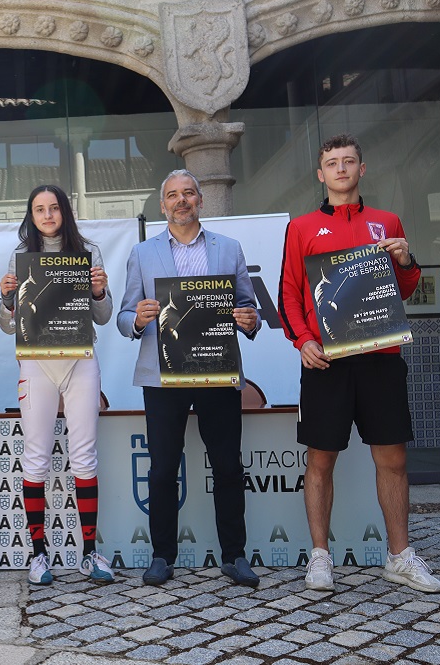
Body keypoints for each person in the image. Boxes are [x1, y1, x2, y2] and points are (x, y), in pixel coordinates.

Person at [278, 133, 440, 594]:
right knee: (320, 460)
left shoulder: (387, 221)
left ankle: (400, 556)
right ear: (321, 173)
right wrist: (303, 341)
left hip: (381, 359)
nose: (341, 169)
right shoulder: (303, 228)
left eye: (349, 161)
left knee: (393, 458)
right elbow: (289, 293)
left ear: (362, 169)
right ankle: (320, 557)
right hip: (327, 363)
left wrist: (407, 261)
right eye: (332, 163)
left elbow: (404, 290)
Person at [117, 169, 261, 588]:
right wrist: (137, 319)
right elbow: (125, 316)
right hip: (163, 377)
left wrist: (248, 320)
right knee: (162, 469)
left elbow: (248, 309)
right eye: (172, 196)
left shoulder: (228, 249)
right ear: (162, 206)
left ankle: (234, 556)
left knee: (228, 467)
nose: (181, 201)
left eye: (188, 194)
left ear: (200, 200)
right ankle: (162, 556)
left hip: (217, 371)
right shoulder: (142, 253)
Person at [0, 186, 114, 585]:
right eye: (39, 209)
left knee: (84, 456)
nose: (47, 215)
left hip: (80, 360)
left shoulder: (89, 252)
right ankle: (39, 554)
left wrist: (98, 290)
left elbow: (103, 315)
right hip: (36, 362)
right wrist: (7, 298)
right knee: (36, 457)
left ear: (64, 211)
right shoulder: (19, 257)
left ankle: (89, 553)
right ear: (31, 215)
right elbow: (7, 323)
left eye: (53, 208)